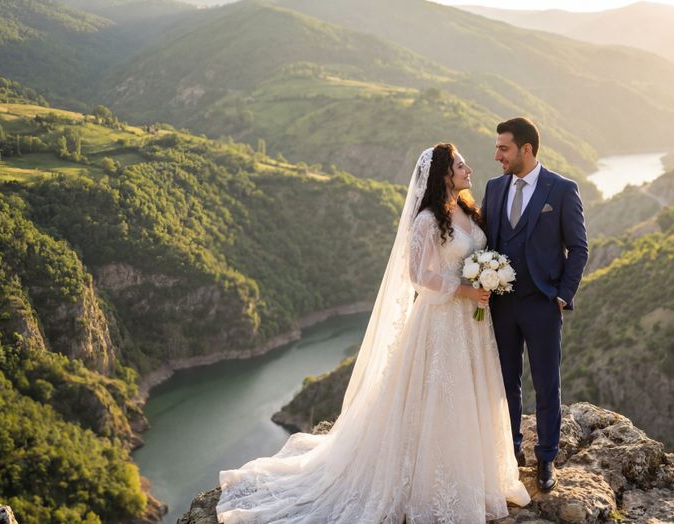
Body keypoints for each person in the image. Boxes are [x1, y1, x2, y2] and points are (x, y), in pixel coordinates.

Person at [216, 143, 530, 523]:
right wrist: (464, 288)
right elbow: (417, 275)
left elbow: (473, 254)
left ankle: (473, 476)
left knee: (467, 395)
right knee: (437, 398)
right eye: (462, 166)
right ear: (444, 175)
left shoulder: (468, 208)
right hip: (440, 321)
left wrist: (485, 276)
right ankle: (432, 483)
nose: (470, 171)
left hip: (471, 323)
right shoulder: (427, 220)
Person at [483, 117, 588, 491]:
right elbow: (488, 241)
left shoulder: (561, 190)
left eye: (503, 148)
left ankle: (546, 458)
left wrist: (562, 295)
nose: (497, 155)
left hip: (543, 304)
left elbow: (578, 248)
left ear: (526, 149)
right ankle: (511, 451)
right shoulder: (494, 188)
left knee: (547, 384)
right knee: (506, 382)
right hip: (501, 305)